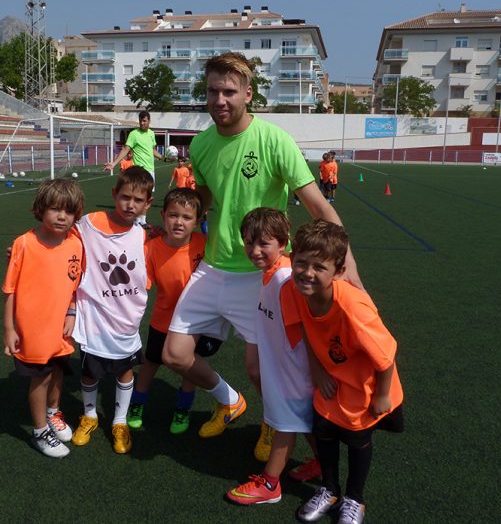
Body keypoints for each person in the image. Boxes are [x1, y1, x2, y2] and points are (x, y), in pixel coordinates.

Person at [162, 52, 362, 460]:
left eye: (229, 91)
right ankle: (230, 400)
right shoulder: (200, 144)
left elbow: (319, 208)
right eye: (213, 91)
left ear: (248, 94)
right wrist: (168, 222)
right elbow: (202, 198)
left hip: (263, 274)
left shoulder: (274, 140)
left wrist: (349, 268)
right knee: (174, 355)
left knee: (261, 369)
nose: (220, 99)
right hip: (215, 267)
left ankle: (273, 424)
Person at [290, 220, 404, 524]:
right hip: (331, 379)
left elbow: (387, 352)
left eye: (319, 267)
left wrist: (382, 395)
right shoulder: (297, 290)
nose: (307, 273)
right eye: (301, 262)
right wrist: (318, 372)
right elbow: (305, 326)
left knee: (356, 440)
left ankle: (355, 498)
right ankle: (329, 488)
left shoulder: (353, 307)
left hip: (364, 386)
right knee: (323, 431)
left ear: (338, 272)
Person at [225, 208, 320, 506]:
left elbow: (307, 330)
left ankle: (270, 484)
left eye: (263, 243)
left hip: (293, 373)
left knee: (285, 424)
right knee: (302, 422)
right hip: (285, 369)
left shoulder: (285, 279)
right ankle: (322, 465)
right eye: (249, 242)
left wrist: (316, 373)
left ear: (284, 243)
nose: (254, 250)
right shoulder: (272, 275)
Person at [70, 166, 154, 454]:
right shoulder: (88, 224)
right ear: (114, 194)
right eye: (125, 197)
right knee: (89, 373)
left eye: (138, 200)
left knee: (125, 371)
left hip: (126, 319)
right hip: (95, 317)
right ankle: (90, 415)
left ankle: (119, 422)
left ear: (148, 204)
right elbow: (60, 238)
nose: (130, 204)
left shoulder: (144, 236)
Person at [127, 188, 222, 434]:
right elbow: (140, 286)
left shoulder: (206, 244)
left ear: (198, 221)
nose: (179, 222)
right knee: (150, 363)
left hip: (196, 323)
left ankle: (182, 409)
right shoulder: (151, 248)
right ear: (163, 216)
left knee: (188, 366)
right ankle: (137, 404)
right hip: (163, 320)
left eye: (187, 217)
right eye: (173, 215)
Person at [2, 178, 85, 458]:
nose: (62, 216)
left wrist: (72, 312)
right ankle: (39, 431)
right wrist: (8, 328)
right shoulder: (24, 244)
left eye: (69, 211)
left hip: (61, 325)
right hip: (33, 328)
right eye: (54, 209)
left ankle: (53, 412)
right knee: (40, 377)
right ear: (40, 209)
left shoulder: (75, 243)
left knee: (59, 369)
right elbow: (10, 289)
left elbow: (74, 284)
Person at [104, 111, 162, 225]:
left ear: (149, 121)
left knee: (147, 196)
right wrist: (114, 163)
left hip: (151, 170)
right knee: (139, 195)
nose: (142, 123)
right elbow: (125, 149)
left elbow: (152, 150)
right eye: (140, 121)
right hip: (140, 170)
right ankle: (136, 221)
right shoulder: (134, 134)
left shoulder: (151, 134)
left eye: (144, 121)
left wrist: (163, 157)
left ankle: (142, 221)